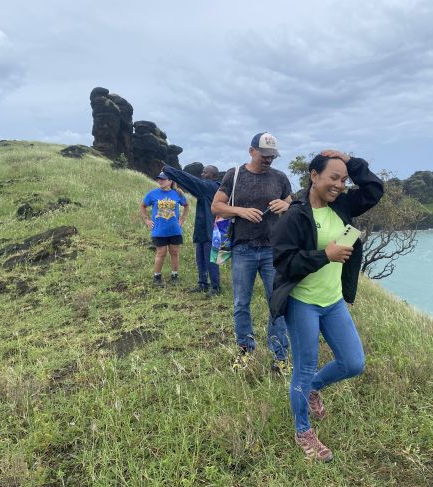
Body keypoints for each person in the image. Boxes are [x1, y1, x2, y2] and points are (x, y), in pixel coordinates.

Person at [270, 149, 384, 461]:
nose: (339, 184)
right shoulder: (295, 215)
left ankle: (311, 389)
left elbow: (374, 189)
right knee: (304, 367)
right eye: (333, 177)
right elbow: (283, 261)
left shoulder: (343, 205)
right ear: (314, 176)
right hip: (302, 302)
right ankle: (303, 430)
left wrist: (351, 160)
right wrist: (325, 256)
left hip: (333, 301)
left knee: (353, 362)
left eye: (344, 179)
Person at [211, 132, 292, 373]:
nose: (268, 160)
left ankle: (279, 356)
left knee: (277, 302)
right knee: (241, 302)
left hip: (272, 249)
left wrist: (286, 205)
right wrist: (241, 211)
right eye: (264, 155)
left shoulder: (280, 178)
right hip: (243, 248)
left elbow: (292, 202)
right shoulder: (234, 175)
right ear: (251, 151)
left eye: (272, 156)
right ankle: (245, 351)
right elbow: (216, 206)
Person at [162, 163, 222, 296]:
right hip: (202, 229)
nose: (202, 174)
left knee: (210, 259)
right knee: (200, 258)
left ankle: (216, 287)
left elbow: (190, 180)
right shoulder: (206, 188)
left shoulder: (211, 186)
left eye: (205, 172)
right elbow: (190, 183)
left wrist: (169, 170)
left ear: (213, 176)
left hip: (210, 230)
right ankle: (202, 283)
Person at [141, 172, 189, 287]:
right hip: (159, 230)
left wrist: (183, 218)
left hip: (174, 230)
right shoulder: (152, 194)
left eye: (163, 179)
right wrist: (146, 219)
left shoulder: (178, 193)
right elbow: (142, 206)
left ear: (170, 181)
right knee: (161, 253)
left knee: (174, 252)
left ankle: (175, 276)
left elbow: (186, 205)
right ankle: (157, 277)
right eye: (159, 179)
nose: (160, 181)